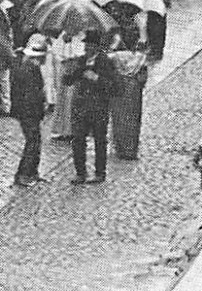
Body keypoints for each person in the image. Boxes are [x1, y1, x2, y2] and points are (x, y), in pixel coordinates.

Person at [64, 31, 117, 185]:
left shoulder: (105, 62)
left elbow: (115, 87)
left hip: (98, 108)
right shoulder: (81, 61)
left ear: (97, 47)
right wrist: (69, 69)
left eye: (90, 45)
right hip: (80, 108)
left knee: (100, 141)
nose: (87, 48)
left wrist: (97, 79)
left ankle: (100, 173)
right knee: (78, 140)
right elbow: (67, 80)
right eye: (86, 44)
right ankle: (80, 172)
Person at [10, 34, 48, 186]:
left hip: (29, 111)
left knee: (35, 141)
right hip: (29, 112)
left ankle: (32, 172)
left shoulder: (29, 67)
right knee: (32, 142)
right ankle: (24, 174)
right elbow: (32, 96)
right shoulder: (29, 69)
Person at [108, 28, 151, 162]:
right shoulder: (141, 58)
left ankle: (119, 146)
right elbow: (143, 78)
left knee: (118, 118)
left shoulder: (115, 56)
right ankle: (131, 148)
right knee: (133, 118)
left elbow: (109, 71)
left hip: (119, 87)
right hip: (133, 90)